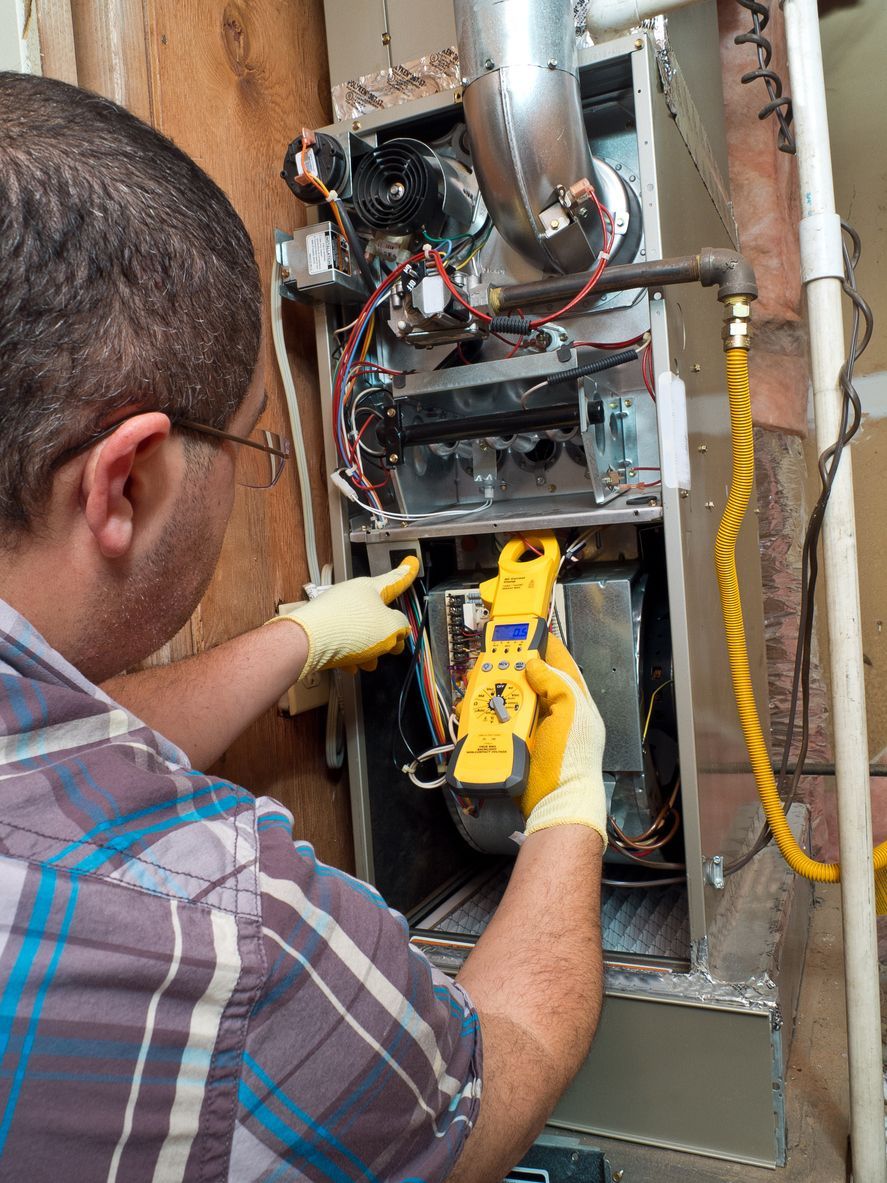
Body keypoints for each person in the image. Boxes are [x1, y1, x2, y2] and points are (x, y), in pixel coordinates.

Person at [0, 71, 607, 1182]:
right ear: (125, 481)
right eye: (247, 443)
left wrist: (301, 636)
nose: (251, 474)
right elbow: (482, 1083)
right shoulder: (218, 929)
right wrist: (571, 806)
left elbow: (53, 761)